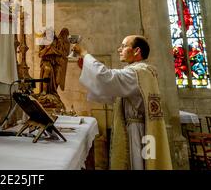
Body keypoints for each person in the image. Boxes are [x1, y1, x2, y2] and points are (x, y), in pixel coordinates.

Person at [72, 35, 173, 170]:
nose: (119, 49)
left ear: (136, 51)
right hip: (140, 129)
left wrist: (84, 53)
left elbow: (106, 78)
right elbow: (111, 93)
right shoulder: (141, 71)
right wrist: (87, 70)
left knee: (138, 164)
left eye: (124, 46)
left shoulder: (137, 73)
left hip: (138, 133)